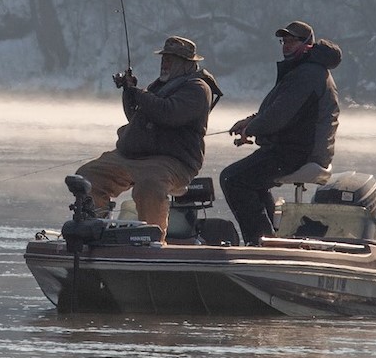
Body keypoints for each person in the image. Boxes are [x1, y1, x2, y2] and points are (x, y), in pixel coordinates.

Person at [76, 36, 222, 237]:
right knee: (87, 176)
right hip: (132, 156)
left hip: (171, 161)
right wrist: (129, 91)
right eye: (164, 58)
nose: (165, 63)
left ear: (188, 63)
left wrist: (140, 93)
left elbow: (168, 113)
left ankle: (153, 238)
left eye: (171, 59)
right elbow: (137, 117)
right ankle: (95, 229)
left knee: (150, 185)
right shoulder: (160, 86)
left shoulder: (197, 88)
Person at [220, 20, 342, 246]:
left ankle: (260, 243)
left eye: (292, 40)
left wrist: (252, 128)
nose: (286, 45)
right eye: (284, 40)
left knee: (232, 179)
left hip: (300, 152)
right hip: (292, 147)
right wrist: (252, 122)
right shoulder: (303, 70)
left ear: (307, 44)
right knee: (250, 180)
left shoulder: (308, 73)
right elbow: (279, 111)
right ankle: (269, 238)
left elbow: (279, 116)